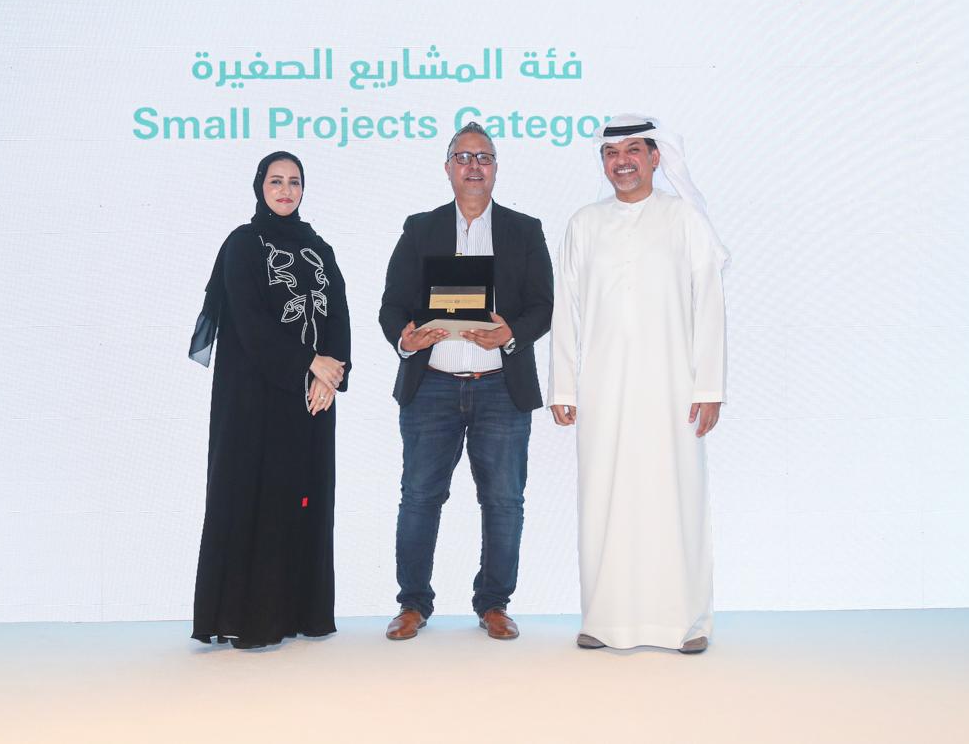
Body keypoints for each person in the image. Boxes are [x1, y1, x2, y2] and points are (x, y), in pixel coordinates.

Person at [548, 114, 729, 654]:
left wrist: (709, 387)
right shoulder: (584, 224)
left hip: (673, 390)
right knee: (604, 499)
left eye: (633, 150)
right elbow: (566, 312)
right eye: (611, 153)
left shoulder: (684, 219)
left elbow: (709, 304)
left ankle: (686, 623)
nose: (622, 161)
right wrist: (563, 388)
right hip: (603, 391)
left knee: (675, 499)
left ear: (655, 157)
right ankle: (604, 620)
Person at [378, 122, 554, 641]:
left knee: (504, 501)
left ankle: (494, 604)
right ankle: (412, 605)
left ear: (496, 168)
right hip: (431, 386)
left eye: (484, 157)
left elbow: (543, 306)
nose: (474, 166)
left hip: (501, 388)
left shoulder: (525, 230)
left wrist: (510, 333)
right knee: (419, 497)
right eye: (464, 157)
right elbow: (391, 305)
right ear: (448, 167)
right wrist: (406, 339)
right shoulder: (420, 228)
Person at [188, 151, 351, 649]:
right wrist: (310, 363)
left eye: (294, 182)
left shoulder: (318, 247)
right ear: (260, 186)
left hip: (310, 402)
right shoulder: (243, 244)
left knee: (304, 499)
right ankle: (250, 619)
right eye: (276, 181)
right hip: (254, 400)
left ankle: (300, 612)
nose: (286, 191)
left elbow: (338, 315)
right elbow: (250, 322)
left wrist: (332, 374)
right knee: (256, 499)